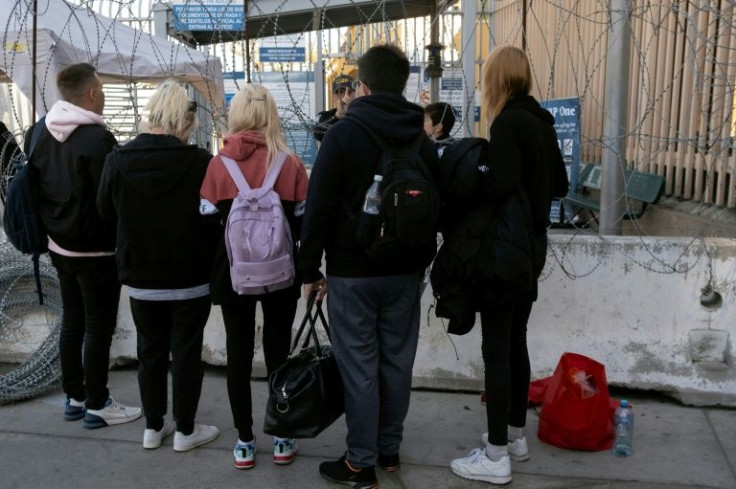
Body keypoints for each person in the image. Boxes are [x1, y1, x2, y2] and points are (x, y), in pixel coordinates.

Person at [299, 44, 441, 489]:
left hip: (352, 271)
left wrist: (309, 269)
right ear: (402, 85)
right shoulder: (420, 138)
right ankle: (388, 450)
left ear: (362, 85)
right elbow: (437, 206)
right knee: (396, 362)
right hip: (406, 272)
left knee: (359, 364)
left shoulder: (343, 134)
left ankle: (360, 463)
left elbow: (318, 207)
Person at [444, 46, 569, 485]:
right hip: (533, 247)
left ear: (497, 79)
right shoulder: (541, 122)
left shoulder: (509, 123)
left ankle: (496, 456)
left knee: (496, 348)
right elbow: (560, 183)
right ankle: (515, 435)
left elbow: (497, 181)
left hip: (504, 250)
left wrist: (473, 173)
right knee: (515, 342)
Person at [97, 80, 219, 451]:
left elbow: (104, 211)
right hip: (190, 275)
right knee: (186, 352)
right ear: (183, 120)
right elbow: (214, 217)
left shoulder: (118, 159)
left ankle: (153, 426)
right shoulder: (199, 162)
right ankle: (185, 429)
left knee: (149, 351)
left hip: (141, 275)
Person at [199, 84, 308, 470]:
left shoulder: (218, 165)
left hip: (234, 275)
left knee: (238, 355)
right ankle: (281, 437)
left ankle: (244, 441)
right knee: (280, 355)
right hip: (281, 273)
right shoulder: (290, 164)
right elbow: (301, 223)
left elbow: (207, 224)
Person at [27, 62, 141, 428]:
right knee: (98, 327)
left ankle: (74, 397)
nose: (104, 95)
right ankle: (98, 402)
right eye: (102, 89)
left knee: (72, 322)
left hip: (58, 245)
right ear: (91, 94)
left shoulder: (37, 133)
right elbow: (111, 199)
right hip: (97, 251)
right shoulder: (98, 140)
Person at [312, 73, 356, 143]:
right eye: (340, 92)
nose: (345, 97)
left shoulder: (362, 114)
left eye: (349, 92)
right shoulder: (326, 116)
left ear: (356, 94)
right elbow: (317, 134)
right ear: (333, 97)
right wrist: (337, 116)